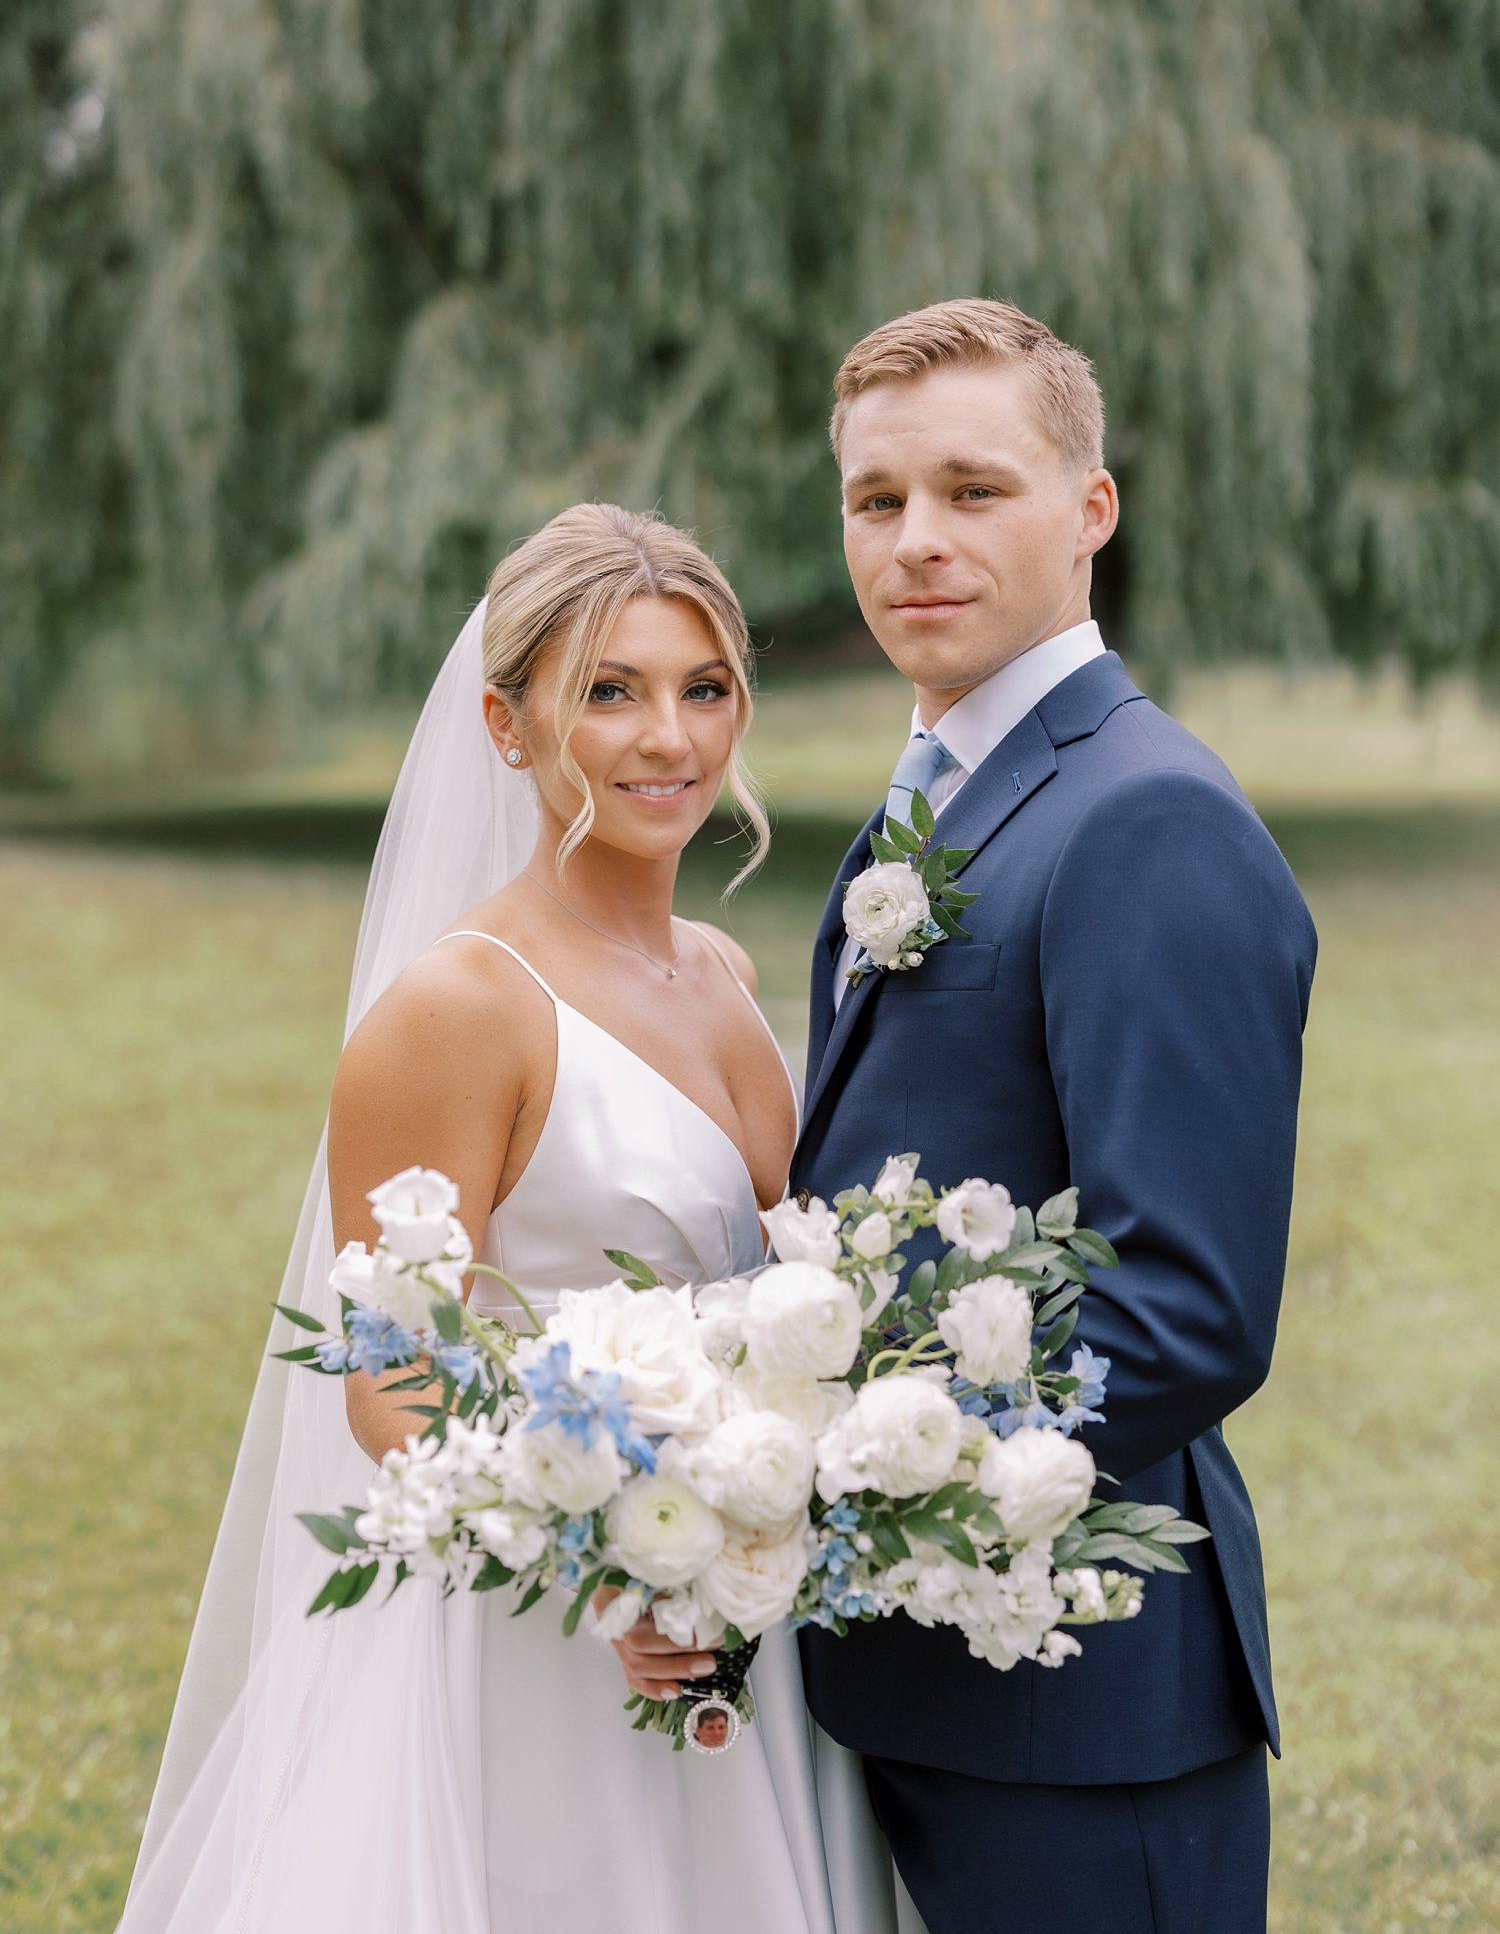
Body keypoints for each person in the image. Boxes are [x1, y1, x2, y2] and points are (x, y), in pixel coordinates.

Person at [117, 505, 901, 1934]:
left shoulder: (720, 972)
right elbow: (393, 1382)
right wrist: (614, 1570)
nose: (670, 737)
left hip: (745, 1612)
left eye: (704, 687)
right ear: (506, 720)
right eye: (610, 690)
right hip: (553, 1636)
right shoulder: (460, 1006)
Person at [792, 299, 1318, 1934]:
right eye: (878, 503)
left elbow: (1183, 1310)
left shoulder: (1143, 816)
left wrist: (828, 1481)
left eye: (973, 490)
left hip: (1078, 1695)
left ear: (1091, 511)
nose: (917, 543)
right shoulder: (944, 790)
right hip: (918, 1677)